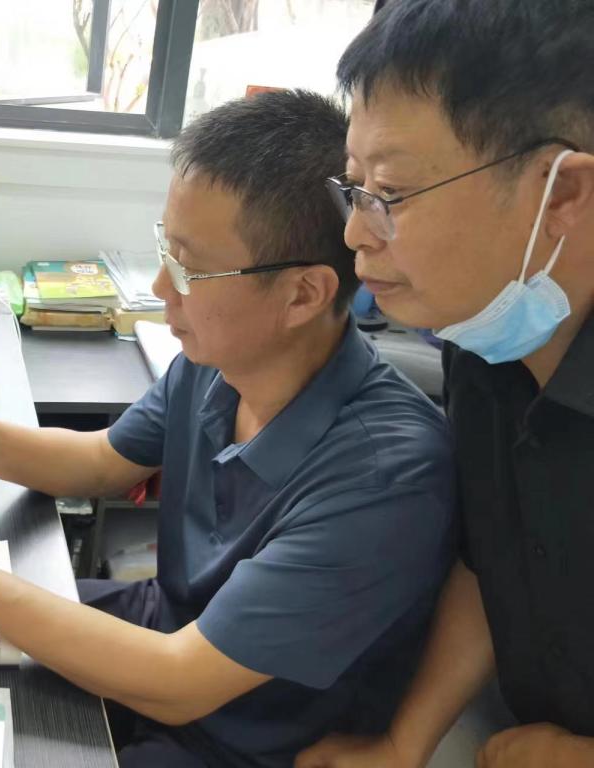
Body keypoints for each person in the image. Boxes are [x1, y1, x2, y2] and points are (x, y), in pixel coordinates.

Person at [0, 90, 455, 767]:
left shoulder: (388, 477)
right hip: (159, 635)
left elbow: (179, 684)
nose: (163, 290)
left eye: (189, 267)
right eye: (164, 249)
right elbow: (103, 462)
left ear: (303, 294)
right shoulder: (216, 363)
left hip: (237, 741)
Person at [296, 2, 594, 767]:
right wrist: (403, 744)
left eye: (390, 194)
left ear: (562, 195)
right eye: (354, 187)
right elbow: (493, 557)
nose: (356, 232)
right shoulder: (483, 340)